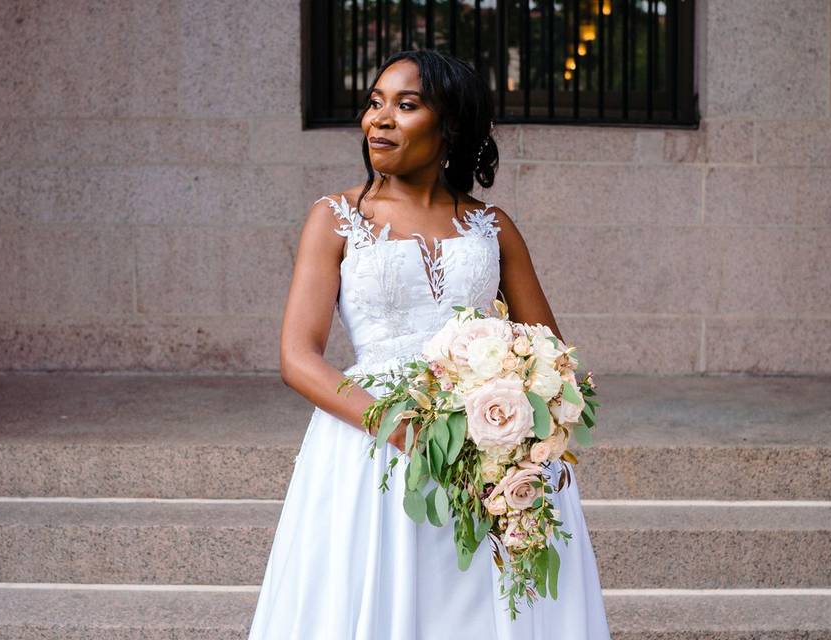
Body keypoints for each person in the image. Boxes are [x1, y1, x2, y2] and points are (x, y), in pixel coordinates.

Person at [248, 49, 611, 639]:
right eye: (374, 102)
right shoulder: (336, 218)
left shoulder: (492, 226)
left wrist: (515, 426)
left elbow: (552, 354)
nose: (379, 119)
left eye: (406, 105)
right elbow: (297, 358)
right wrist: (402, 427)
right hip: (372, 448)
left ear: (451, 128)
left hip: (484, 444)